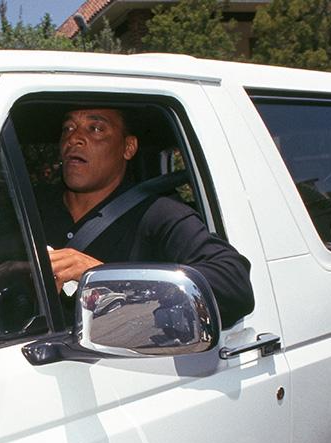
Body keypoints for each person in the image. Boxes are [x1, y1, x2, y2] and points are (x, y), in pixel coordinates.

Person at [41, 107, 254, 327]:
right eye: (68, 128)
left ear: (128, 147)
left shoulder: (160, 215)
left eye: (96, 128)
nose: (74, 138)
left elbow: (234, 287)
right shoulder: (28, 210)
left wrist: (107, 280)